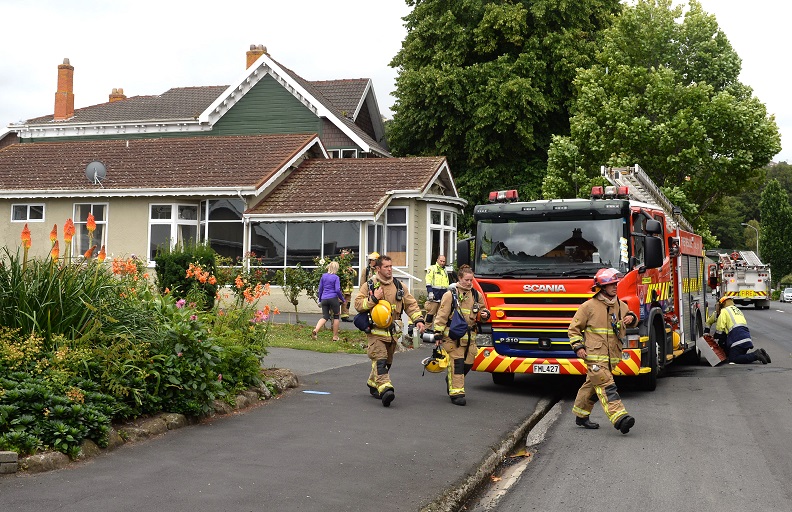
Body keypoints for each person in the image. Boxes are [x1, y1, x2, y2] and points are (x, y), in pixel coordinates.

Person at [568, 268, 638, 435]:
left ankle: (581, 415)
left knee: (592, 385)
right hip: (594, 357)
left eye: (615, 284)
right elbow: (573, 330)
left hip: (611, 357)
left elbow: (632, 319)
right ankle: (620, 418)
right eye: (610, 285)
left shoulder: (621, 305)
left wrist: (632, 318)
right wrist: (578, 347)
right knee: (607, 386)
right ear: (601, 287)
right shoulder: (588, 307)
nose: (615, 287)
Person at [354, 254, 425, 407]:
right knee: (380, 360)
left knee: (387, 362)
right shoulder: (369, 286)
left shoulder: (399, 286)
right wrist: (374, 299)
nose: (389, 269)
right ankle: (386, 390)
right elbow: (358, 305)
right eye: (386, 267)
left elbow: (411, 304)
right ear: (378, 268)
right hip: (375, 333)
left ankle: (373, 384)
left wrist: (418, 319)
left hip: (393, 334)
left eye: (391, 266)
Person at [431, 265, 489, 406]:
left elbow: (483, 312)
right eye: (467, 280)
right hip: (453, 337)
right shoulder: (450, 294)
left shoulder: (476, 295)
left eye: (471, 280)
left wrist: (485, 315)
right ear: (460, 279)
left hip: (470, 338)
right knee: (457, 365)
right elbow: (441, 315)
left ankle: (451, 380)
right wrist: (438, 334)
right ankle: (457, 394)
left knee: (467, 364)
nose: (469, 283)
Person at [713, 296, 771, 364]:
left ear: (722, 304)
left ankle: (756, 355)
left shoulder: (724, 311)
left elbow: (720, 329)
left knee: (733, 359)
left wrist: (715, 337)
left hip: (737, 338)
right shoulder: (737, 310)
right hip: (746, 337)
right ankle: (762, 353)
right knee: (739, 356)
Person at [312, 261, 345, 342]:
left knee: (325, 316)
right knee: (336, 316)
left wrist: (320, 299)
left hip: (324, 298)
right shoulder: (336, 277)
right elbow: (337, 290)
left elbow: (320, 289)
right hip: (333, 298)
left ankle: (316, 330)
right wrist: (343, 299)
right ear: (336, 269)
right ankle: (335, 337)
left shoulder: (323, 276)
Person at [424, 254, 449, 331]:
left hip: (442, 296)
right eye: (441, 261)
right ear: (437, 260)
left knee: (440, 315)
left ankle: (437, 330)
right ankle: (426, 329)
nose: (442, 263)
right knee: (430, 314)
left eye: (443, 261)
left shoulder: (444, 270)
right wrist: (430, 292)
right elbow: (428, 281)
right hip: (434, 295)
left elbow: (446, 284)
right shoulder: (432, 268)